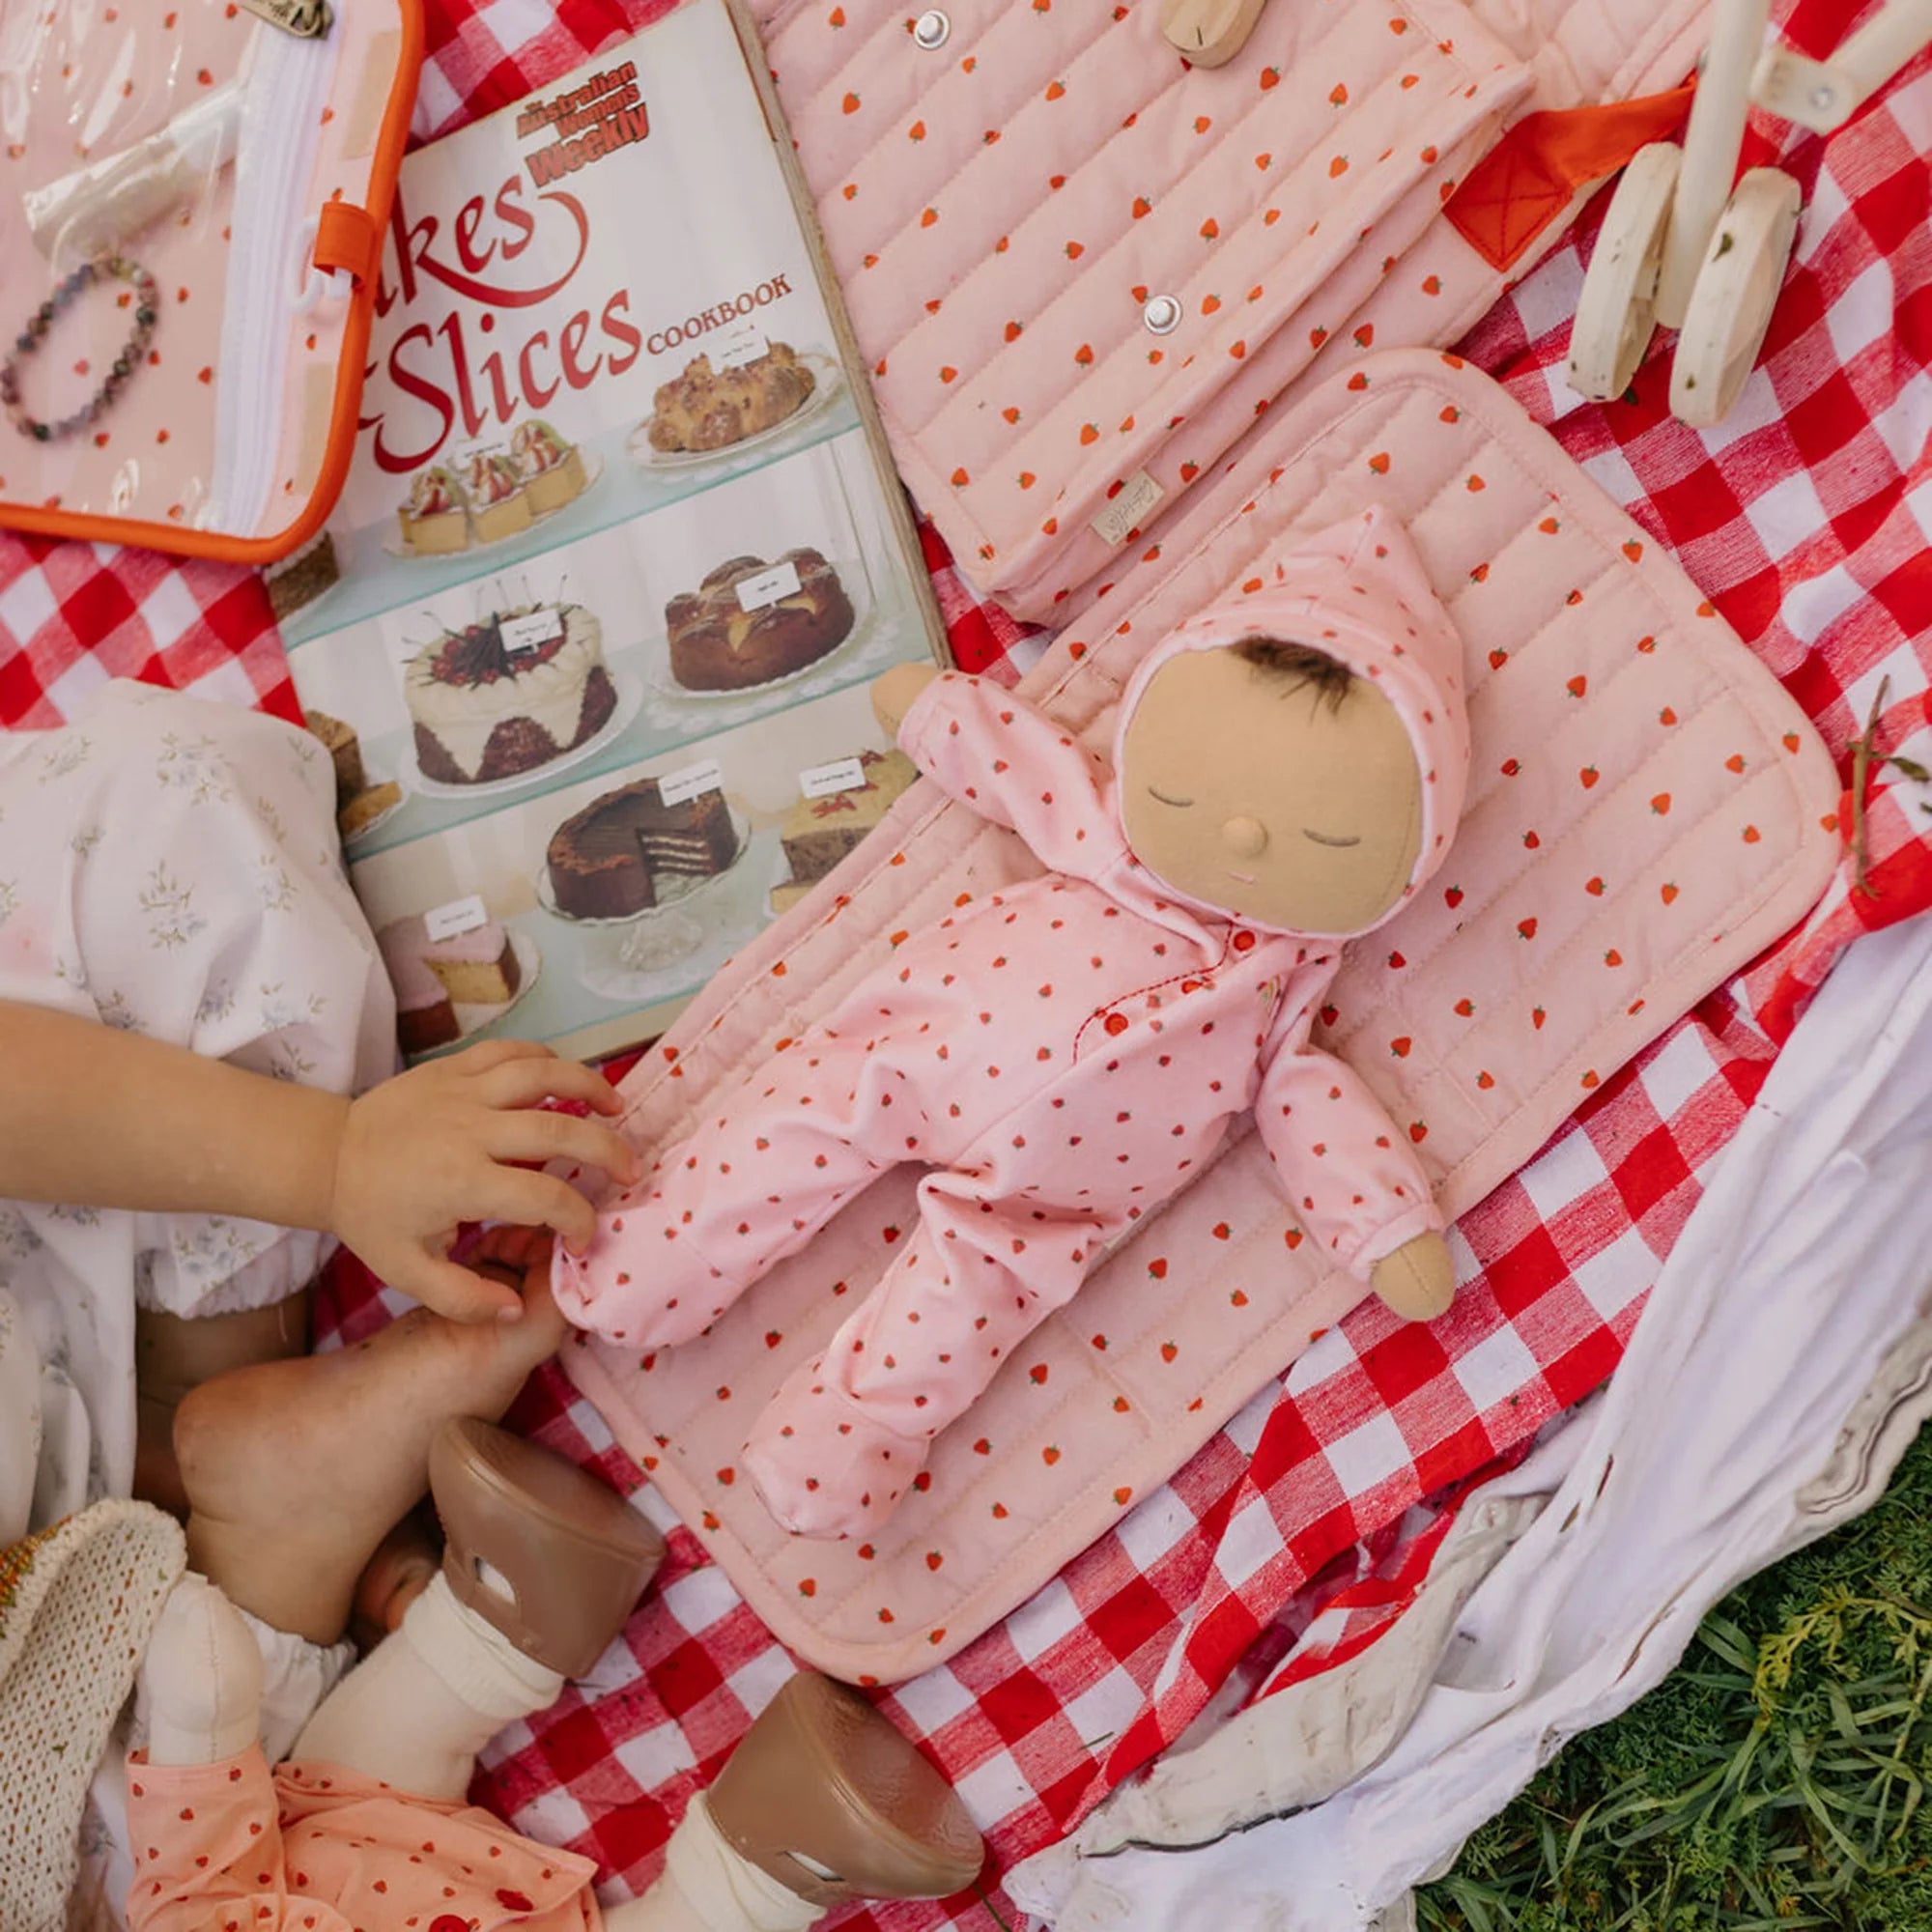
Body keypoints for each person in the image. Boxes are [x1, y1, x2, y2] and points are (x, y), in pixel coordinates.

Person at [0, 679, 634, 1540]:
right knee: (207, 1668)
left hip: (75, 1224)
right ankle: (261, 1507)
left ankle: (222, 1447)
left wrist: (328, 1158)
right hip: (87, 1590)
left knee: (166, 796)